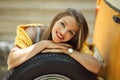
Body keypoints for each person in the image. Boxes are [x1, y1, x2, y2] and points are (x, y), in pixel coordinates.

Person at [7, 8, 102, 74]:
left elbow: (96, 67)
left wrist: (67, 51)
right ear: (55, 20)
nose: (63, 32)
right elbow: (12, 60)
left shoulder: (71, 44)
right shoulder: (33, 32)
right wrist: (43, 44)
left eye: (71, 32)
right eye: (62, 24)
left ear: (74, 37)